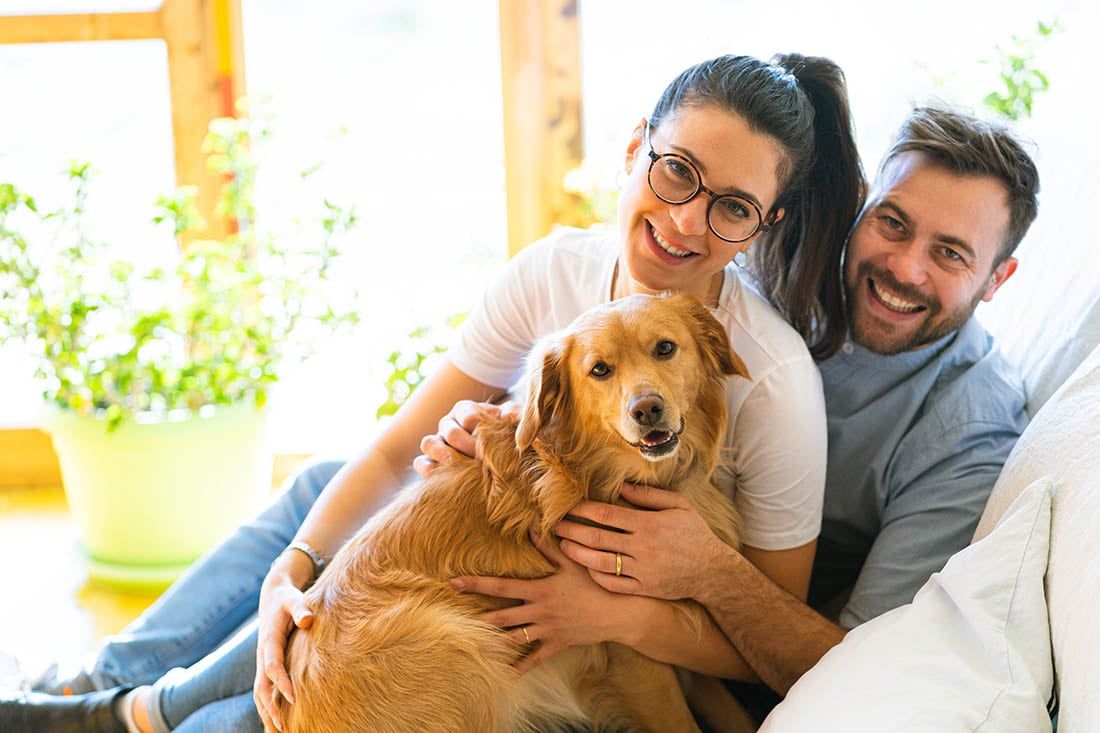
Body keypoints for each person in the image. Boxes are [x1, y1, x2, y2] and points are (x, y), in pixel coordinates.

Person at [0, 51, 865, 733]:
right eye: (676, 172)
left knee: (249, 717)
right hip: (468, 594)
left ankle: (138, 710)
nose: (685, 221)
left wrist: (616, 613)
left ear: (766, 223)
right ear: (636, 148)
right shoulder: (555, 274)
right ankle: (109, 684)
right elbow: (390, 451)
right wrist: (288, 581)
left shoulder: (772, 378)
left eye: (731, 206)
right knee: (326, 487)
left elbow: (772, 641)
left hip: (555, 646)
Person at [444, 105, 1036, 722]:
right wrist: (487, 423)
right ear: (860, 211)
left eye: (951, 254)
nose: (905, 268)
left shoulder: (968, 433)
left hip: (742, 629)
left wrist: (700, 574)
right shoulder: (760, 265)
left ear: (998, 278)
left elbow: (862, 669)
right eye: (892, 223)